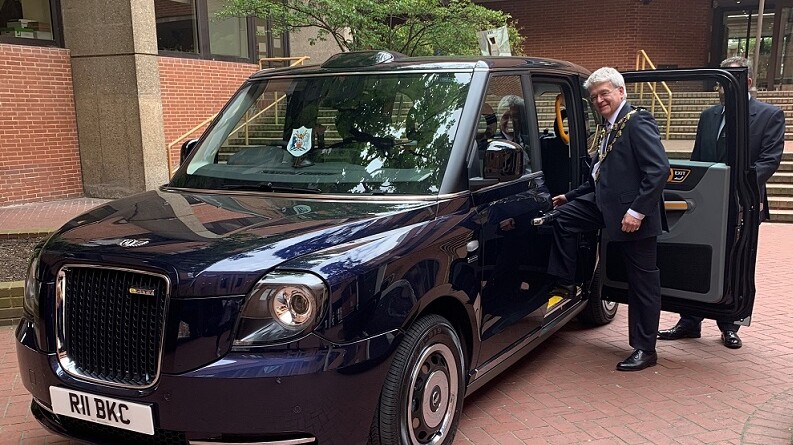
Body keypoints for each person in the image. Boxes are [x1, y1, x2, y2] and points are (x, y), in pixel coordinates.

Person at [546, 67, 670, 371]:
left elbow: (659, 170)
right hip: (604, 205)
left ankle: (645, 349)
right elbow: (599, 175)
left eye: (604, 93)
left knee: (642, 284)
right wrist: (570, 197)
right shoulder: (609, 126)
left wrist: (637, 212)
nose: (599, 100)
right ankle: (566, 283)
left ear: (620, 91)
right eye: (594, 97)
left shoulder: (637, 121)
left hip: (633, 216)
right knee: (561, 218)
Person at [658, 56, 785, 349]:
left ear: (747, 82)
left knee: (735, 262)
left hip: (742, 204)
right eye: (719, 81)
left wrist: (735, 188)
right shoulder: (709, 116)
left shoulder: (769, 115)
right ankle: (689, 321)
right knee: (696, 257)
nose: (721, 88)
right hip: (704, 202)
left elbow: (769, 160)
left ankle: (729, 324)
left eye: (728, 80)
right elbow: (697, 158)